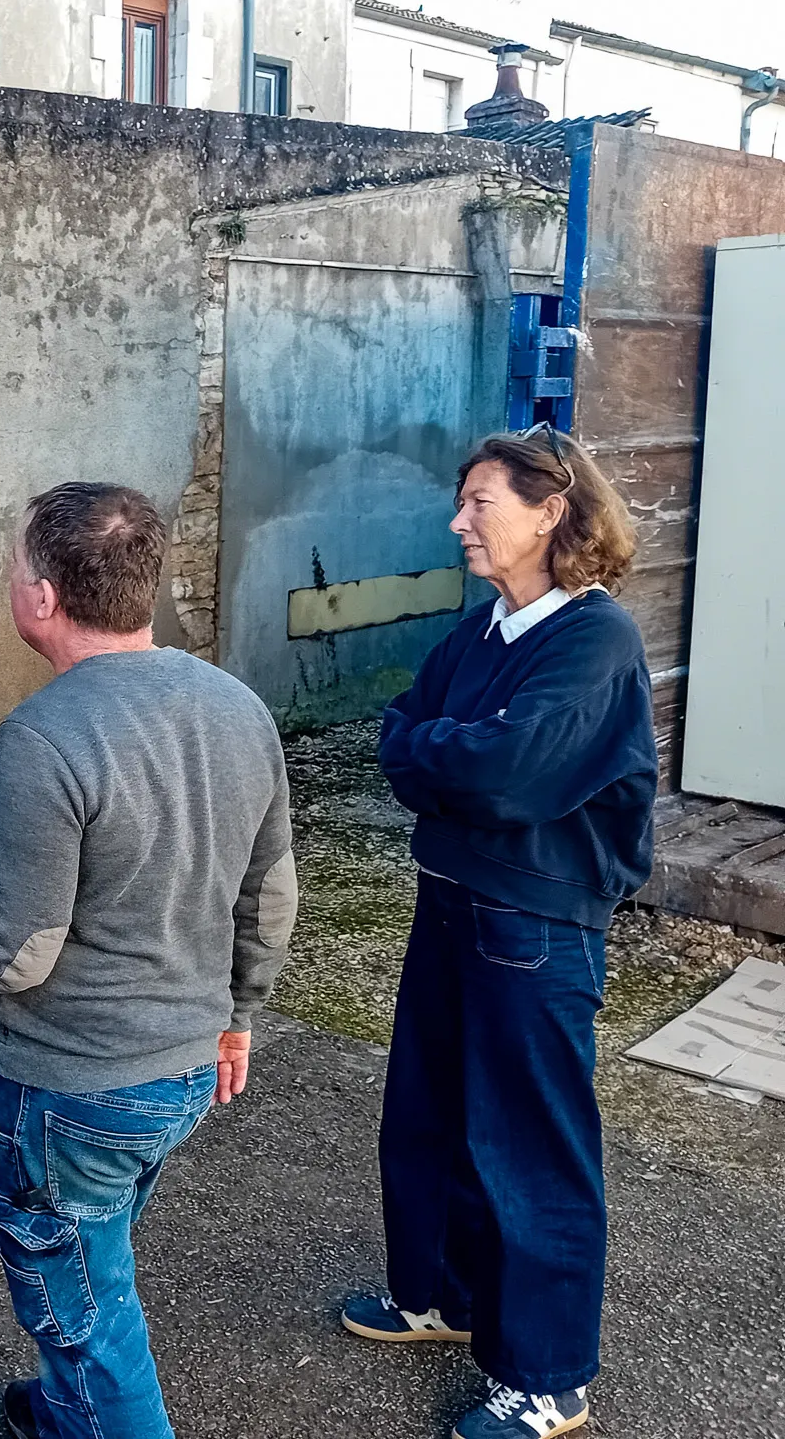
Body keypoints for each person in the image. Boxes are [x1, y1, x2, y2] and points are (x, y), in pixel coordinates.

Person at [0, 482, 296, 1439]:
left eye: (15, 564)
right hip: (185, 1073)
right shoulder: (237, 706)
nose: (9, 580)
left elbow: (11, 952)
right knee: (89, 1264)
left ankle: (95, 1407)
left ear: (43, 597)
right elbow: (270, 898)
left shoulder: (43, 740)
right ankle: (69, 1414)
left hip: (73, 1089)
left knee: (89, 1318)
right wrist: (237, 1020)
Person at [340, 426, 654, 1439]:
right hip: (450, 899)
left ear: (550, 511)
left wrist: (444, 760)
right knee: (428, 1112)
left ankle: (547, 1378)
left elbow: (505, 777)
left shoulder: (593, 640)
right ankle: (444, 1295)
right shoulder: (485, 631)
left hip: (535, 923)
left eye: (479, 502)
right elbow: (397, 732)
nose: (457, 522)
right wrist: (448, 757)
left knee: (528, 1145)